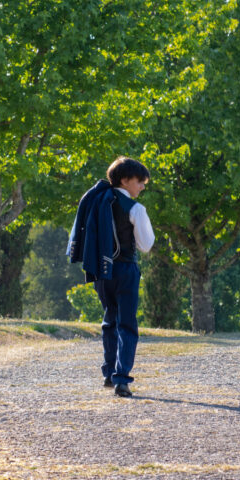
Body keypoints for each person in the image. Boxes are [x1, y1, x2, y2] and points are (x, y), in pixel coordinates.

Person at [67, 157, 154, 397]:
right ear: (125, 181)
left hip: (100, 269)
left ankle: (108, 373)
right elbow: (146, 244)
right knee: (126, 324)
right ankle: (122, 379)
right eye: (140, 182)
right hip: (126, 269)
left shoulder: (98, 201)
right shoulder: (135, 209)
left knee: (109, 321)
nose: (142, 187)